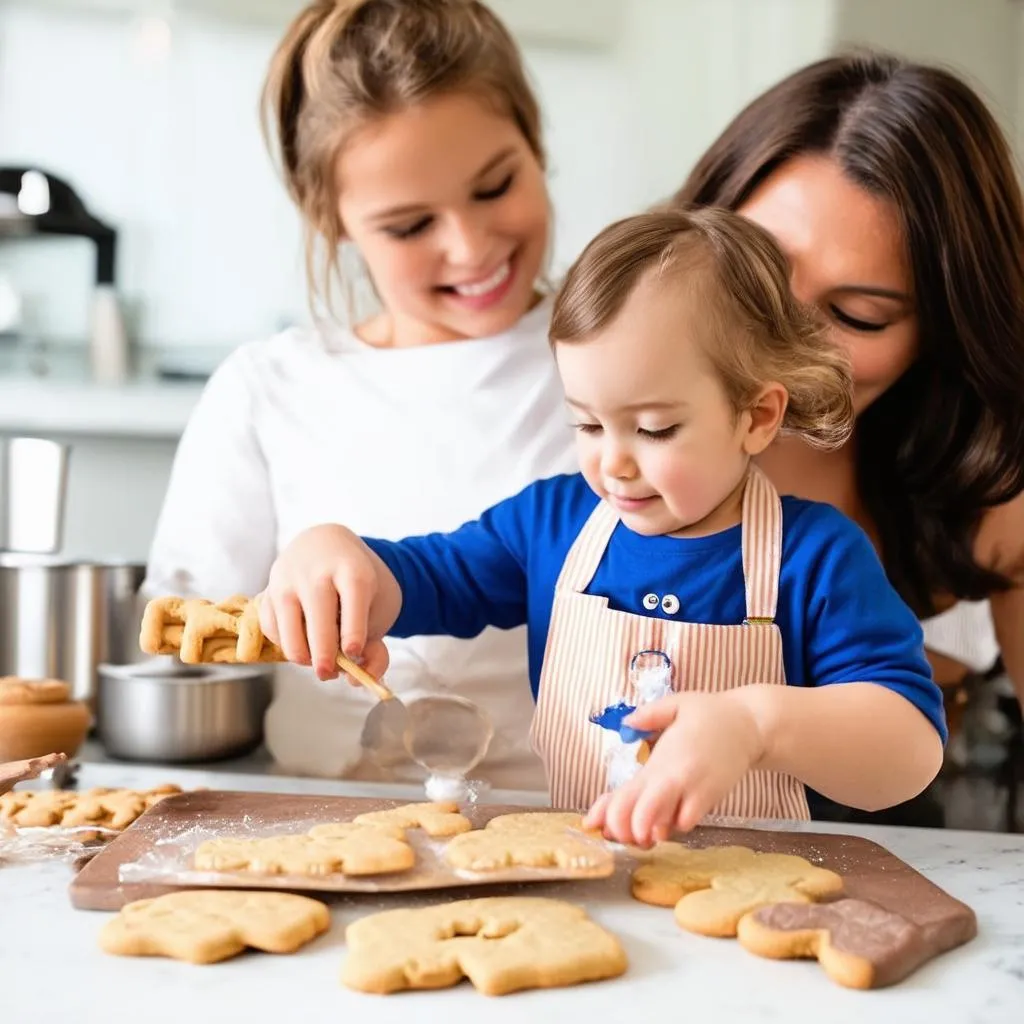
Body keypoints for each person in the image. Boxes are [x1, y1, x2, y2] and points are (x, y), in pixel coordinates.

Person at [258, 208, 946, 847]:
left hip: (760, 907)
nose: (612, 462)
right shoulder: (550, 527)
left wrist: (756, 726)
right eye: (586, 423)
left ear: (757, 415)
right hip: (589, 887)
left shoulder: (816, 558)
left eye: (653, 428)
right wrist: (338, 559)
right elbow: (426, 580)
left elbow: (909, 751)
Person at [141, 0, 578, 789]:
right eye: (410, 226)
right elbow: (189, 630)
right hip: (316, 818)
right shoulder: (270, 390)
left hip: (571, 822)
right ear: (332, 219)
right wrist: (293, 603)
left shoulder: (618, 363)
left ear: (537, 139)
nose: (469, 246)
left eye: (495, 186)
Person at [671, 51, 1024, 824]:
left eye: (858, 317)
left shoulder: (986, 496)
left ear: (944, 328)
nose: (781, 342)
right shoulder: (596, 409)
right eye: (751, 278)